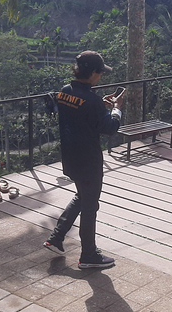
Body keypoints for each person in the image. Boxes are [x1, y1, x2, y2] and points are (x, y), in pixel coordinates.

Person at [43, 50, 122, 270]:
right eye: (100, 73)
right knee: (90, 205)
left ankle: (56, 238)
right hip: (89, 159)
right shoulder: (92, 100)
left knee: (83, 195)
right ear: (93, 73)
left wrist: (102, 108)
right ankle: (88, 255)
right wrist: (116, 110)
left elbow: (82, 115)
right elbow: (110, 128)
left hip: (71, 156)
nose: (101, 77)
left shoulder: (65, 91)